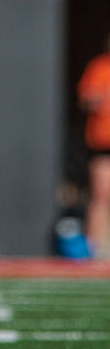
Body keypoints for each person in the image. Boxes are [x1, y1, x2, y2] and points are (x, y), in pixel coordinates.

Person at [77, 40, 110, 259]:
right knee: (101, 194)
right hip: (103, 141)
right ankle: (99, 248)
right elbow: (87, 98)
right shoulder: (100, 67)